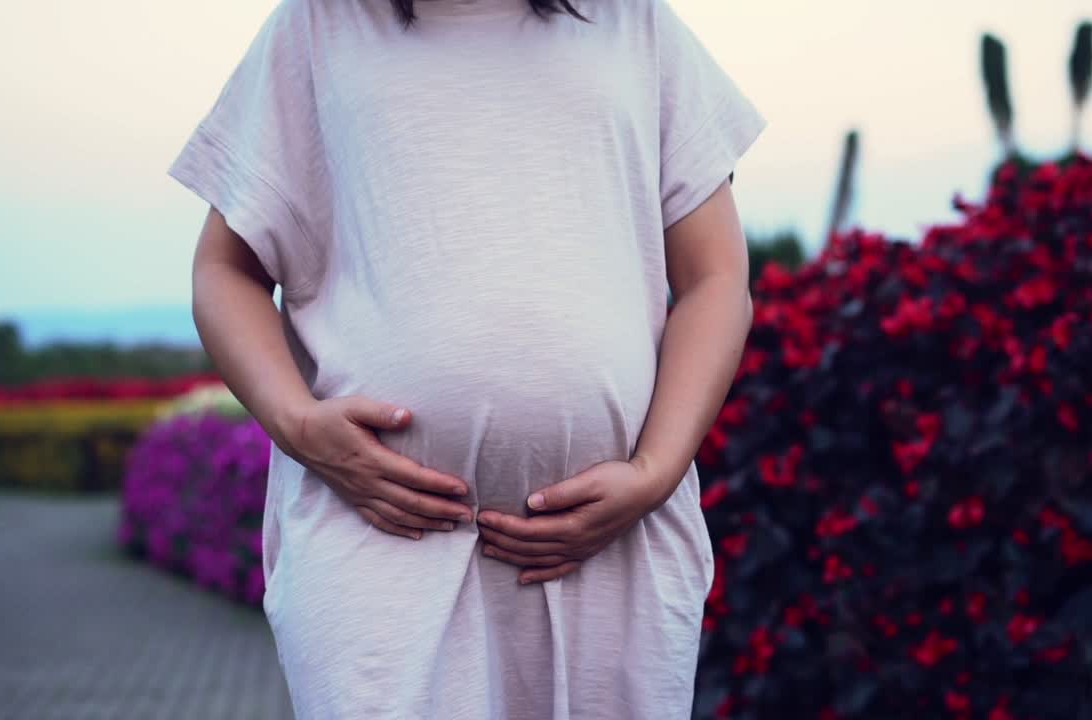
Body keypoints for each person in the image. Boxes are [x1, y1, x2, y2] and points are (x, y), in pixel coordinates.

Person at [167, 0, 766, 717]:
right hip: (379, 542)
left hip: (615, 549)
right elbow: (225, 271)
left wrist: (655, 470)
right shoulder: (318, 23)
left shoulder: (634, 21)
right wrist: (297, 424)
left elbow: (716, 279)